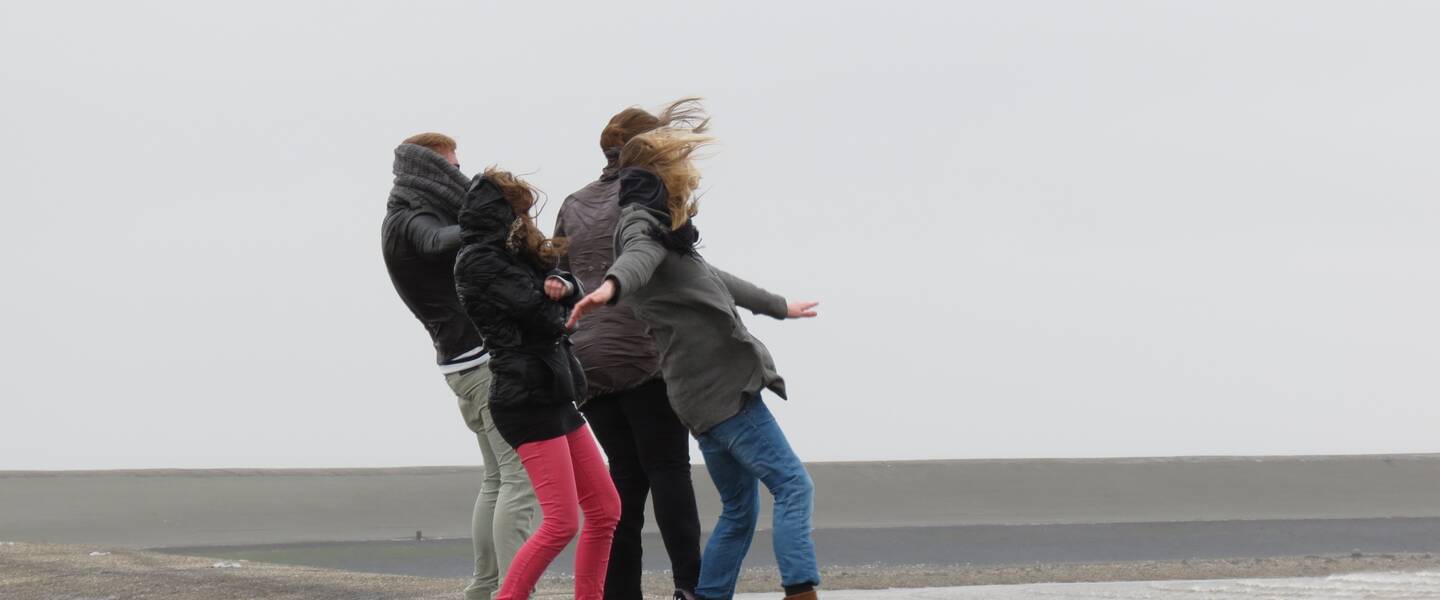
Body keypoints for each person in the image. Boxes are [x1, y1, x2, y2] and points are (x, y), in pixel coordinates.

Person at [567, 104, 824, 600]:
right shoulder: (642, 221)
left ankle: (704, 595)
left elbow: (709, 276)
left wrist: (778, 306)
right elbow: (636, 257)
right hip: (720, 387)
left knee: (737, 509)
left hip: (685, 391)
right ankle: (800, 590)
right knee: (794, 487)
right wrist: (611, 287)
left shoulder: (660, 228)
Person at [553, 102, 706, 600]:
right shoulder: (651, 195)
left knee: (624, 481)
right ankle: (691, 587)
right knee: (667, 467)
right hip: (644, 350)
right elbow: (681, 262)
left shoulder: (573, 203)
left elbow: (558, 271)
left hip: (587, 356)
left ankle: (621, 594)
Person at [380, 133, 538, 600]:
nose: (458, 172)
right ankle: (513, 592)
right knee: (519, 482)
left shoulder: (406, 213)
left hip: (460, 364)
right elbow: (434, 242)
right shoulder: (409, 217)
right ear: (428, 166)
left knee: (496, 478)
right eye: (451, 164)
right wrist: (491, 225)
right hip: (481, 361)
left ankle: (486, 587)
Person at [455, 168, 621, 600]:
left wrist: (563, 284)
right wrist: (561, 300)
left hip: (554, 390)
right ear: (501, 213)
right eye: (519, 210)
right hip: (523, 398)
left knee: (605, 509)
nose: (526, 219)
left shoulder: (515, 256)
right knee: (561, 521)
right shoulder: (479, 260)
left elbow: (566, 287)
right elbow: (542, 315)